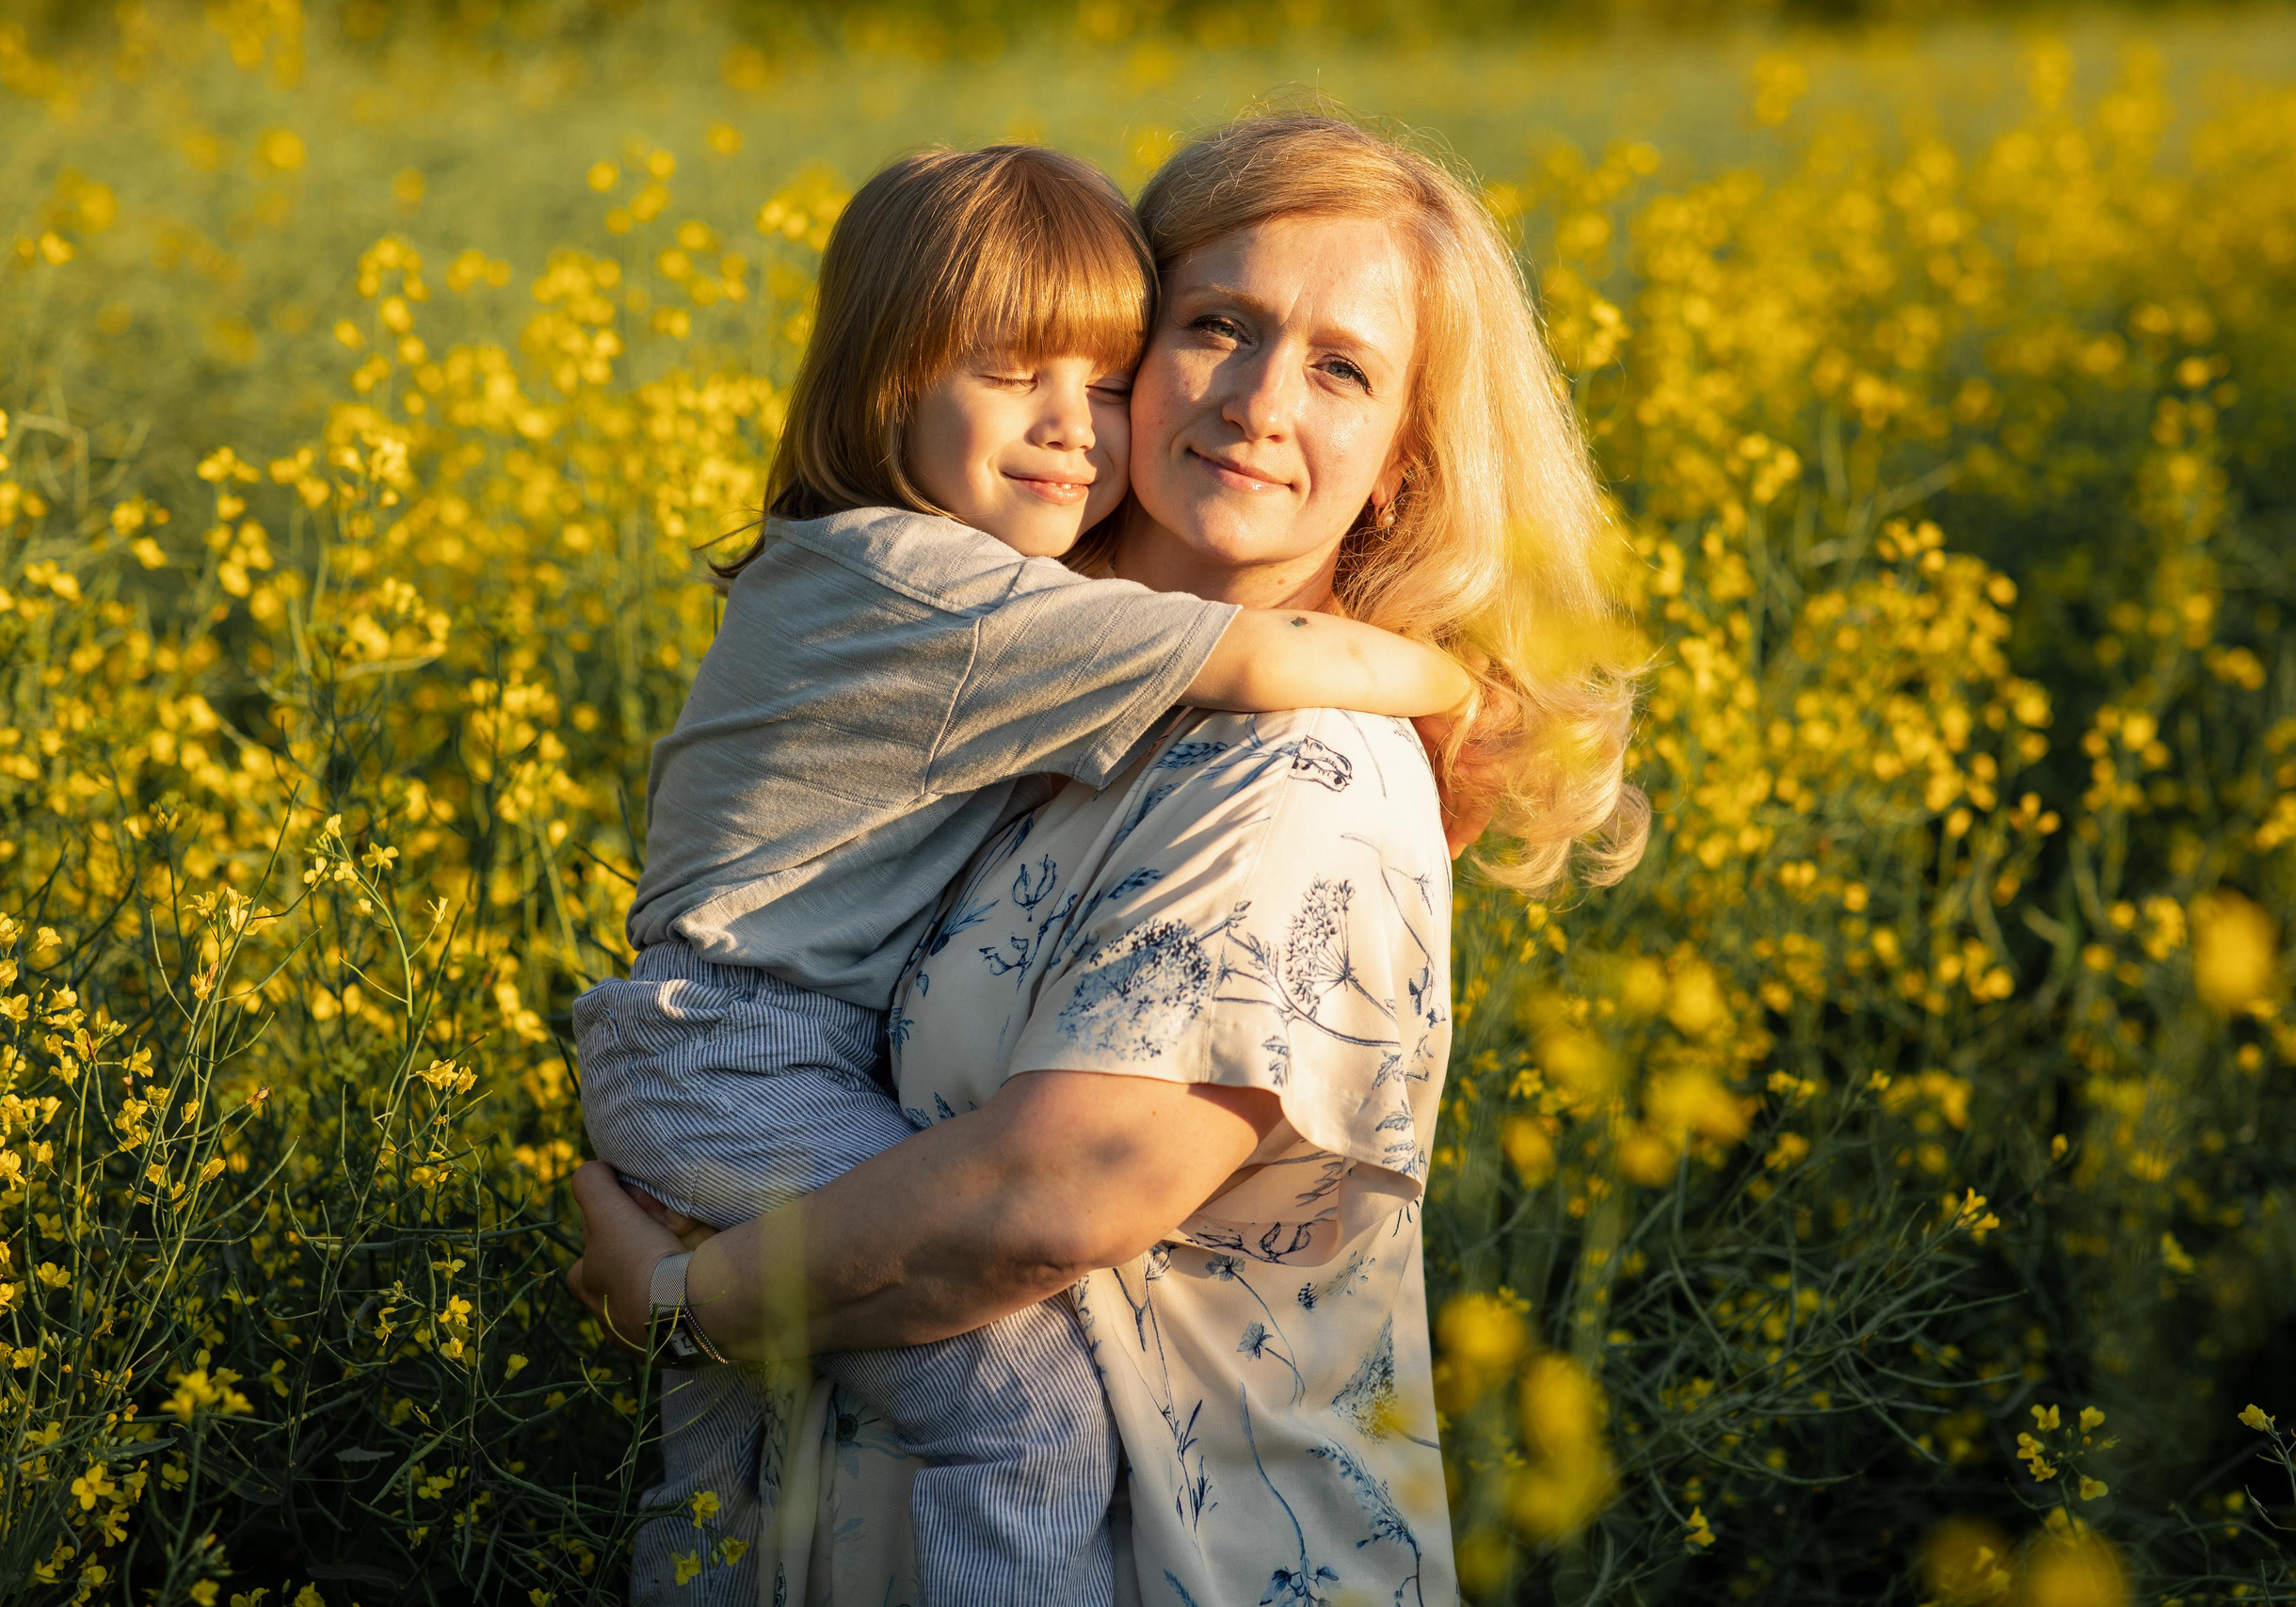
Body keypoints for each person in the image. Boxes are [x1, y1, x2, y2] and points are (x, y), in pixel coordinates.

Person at [572, 111, 1650, 1606]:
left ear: (1402, 464)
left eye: (1342, 369)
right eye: (1218, 325)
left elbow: (1053, 1199)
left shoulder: (1305, 774)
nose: (1262, 401)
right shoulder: (1026, 696)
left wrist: (684, 1307)